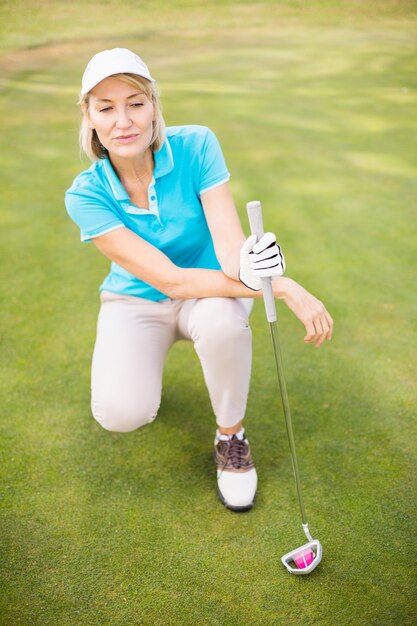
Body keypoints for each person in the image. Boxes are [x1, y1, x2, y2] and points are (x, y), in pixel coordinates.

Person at [65, 48, 333, 513]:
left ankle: (231, 439)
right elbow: (170, 280)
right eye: (105, 108)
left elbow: (230, 250)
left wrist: (252, 261)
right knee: (120, 413)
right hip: (135, 301)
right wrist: (282, 287)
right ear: (88, 116)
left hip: (211, 294)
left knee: (223, 324)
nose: (123, 121)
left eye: (135, 103)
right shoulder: (85, 194)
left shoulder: (197, 145)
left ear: (154, 106)